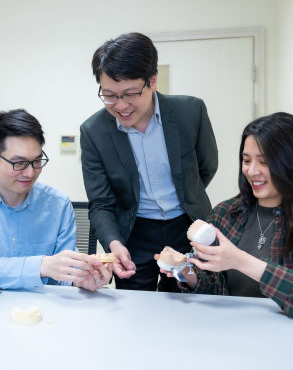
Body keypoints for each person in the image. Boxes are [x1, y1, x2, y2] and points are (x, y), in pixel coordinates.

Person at [159, 112, 293, 322]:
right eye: (246, 160)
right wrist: (186, 271)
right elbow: (214, 286)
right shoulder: (225, 213)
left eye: (264, 162)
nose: (252, 171)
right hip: (231, 333)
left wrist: (241, 261)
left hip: (292, 342)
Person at [80, 32, 218, 292]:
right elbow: (101, 203)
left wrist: (185, 197)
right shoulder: (94, 131)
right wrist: (114, 244)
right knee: (133, 312)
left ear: (152, 82)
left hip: (186, 228)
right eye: (109, 95)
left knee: (188, 304)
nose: (120, 105)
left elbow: (206, 167)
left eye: (130, 93)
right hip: (133, 234)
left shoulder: (190, 113)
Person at [0, 109, 112, 291]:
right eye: (19, 163)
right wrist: (42, 266)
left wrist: (81, 280)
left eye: (37, 161)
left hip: (46, 310)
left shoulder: (59, 204)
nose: (30, 173)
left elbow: (65, 276)